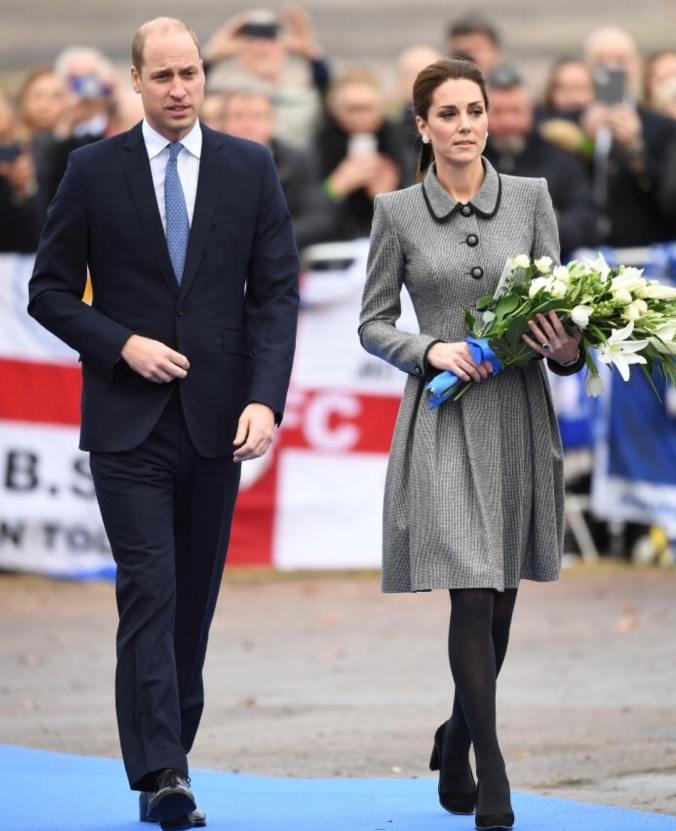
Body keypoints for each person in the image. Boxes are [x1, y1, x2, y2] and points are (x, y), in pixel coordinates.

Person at [28, 17, 299, 830]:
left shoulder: (249, 166)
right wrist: (121, 344)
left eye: (192, 73)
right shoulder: (92, 170)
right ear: (137, 82)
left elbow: (275, 294)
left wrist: (265, 399)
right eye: (165, 75)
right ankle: (164, 773)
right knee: (150, 588)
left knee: (192, 603)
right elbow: (46, 290)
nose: (180, 88)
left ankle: (166, 755)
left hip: (219, 423)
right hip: (127, 423)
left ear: (204, 78)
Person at [358, 58, 583, 831]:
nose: (465, 124)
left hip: (519, 411)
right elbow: (374, 320)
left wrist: (566, 348)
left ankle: (454, 737)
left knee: (503, 603)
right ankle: (492, 765)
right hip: (446, 418)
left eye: (475, 110)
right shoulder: (396, 212)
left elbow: (562, 314)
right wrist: (427, 350)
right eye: (447, 113)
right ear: (422, 126)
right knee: (473, 591)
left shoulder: (531, 199)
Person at [485, 64, 597, 258]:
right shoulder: (468, 161)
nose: (508, 122)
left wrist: (551, 223)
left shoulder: (560, 157)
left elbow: (586, 218)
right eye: (498, 112)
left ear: (531, 110)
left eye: (515, 111)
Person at [206, 84, 336, 249]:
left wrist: (271, 239)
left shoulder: (298, 161)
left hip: (282, 256)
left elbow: (318, 217)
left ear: (272, 122)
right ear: (222, 123)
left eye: (258, 116)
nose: (248, 125)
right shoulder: (206, 164)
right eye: (238, 116)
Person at [581, 27, 676, 245]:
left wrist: (636, 148)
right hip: (585, 249)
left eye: (620, 60)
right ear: (587, 67)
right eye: (601, 61)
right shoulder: (572, 120)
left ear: (636, 66)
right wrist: (585, 143)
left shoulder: (663, 127)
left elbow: (668, 196)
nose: (612, 68)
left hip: (644, 248)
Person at [203, 6, 329, 147]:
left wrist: (312, 53)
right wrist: (210, 55)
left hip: (290, 166)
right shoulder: (219, 94)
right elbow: (192, 88)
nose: (260, 48)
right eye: (250, 42)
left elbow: (329, 92)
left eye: (269, 42)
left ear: (285, 48)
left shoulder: (302, 95)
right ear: (238, 49)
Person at [317, 69, 405, 240]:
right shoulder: (321, 143)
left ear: (382, 108)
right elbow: (305, 210)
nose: (360, 117)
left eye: (367, 109)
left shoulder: (398, 141)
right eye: (352, 109)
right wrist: (335, 188)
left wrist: (388, 196)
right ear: (335, 110)